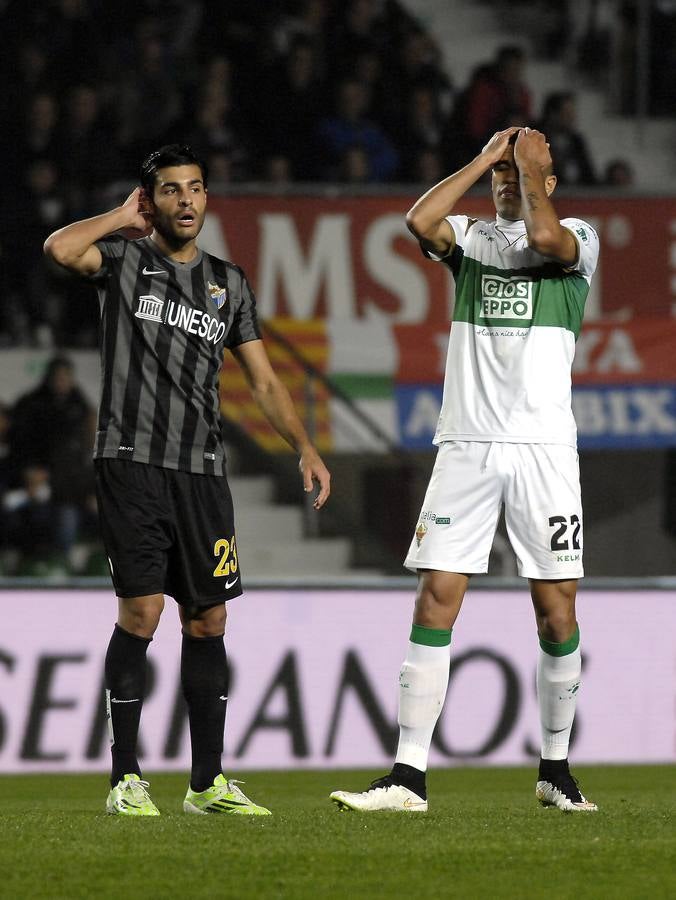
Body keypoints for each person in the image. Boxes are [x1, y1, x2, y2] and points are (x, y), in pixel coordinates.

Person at [43, 143, 330, 817]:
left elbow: (262, 380)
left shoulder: (228, 285)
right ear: (152, 200)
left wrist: (305, 447)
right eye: (171, 190)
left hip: (203, 470)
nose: (186, 201)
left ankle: (207, 784)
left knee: (209, 620)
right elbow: (58, 249)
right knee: (141, 614)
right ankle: (125, 778)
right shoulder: (122, 261)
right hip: (132, 461)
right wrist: (117, 219)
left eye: (195, 188)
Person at [330, 126, 599, 814]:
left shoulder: (577, 237)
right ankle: (407, 777)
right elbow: (416, 220)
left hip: (543, 449)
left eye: (520, 177)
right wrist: (485, 159)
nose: (506, 186)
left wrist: (532, 171)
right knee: (436, 596)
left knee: (554, 610)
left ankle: (556, 769)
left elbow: (544, 242)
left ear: (549, 182)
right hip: (467, 446)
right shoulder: (471, 240)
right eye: (500, 179)